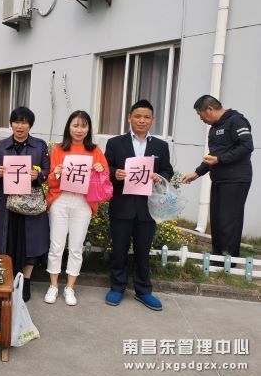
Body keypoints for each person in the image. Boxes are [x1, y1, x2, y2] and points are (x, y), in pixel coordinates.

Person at [104, 99, 173, 311]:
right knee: (119, 249)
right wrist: (115, 173)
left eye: (146, 117)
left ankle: (143, 291)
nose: (142, 120)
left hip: (147, 208)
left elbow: (167, 170)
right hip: (122, 205)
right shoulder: (115, 143)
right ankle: (117, 287)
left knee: (143, 251)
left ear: (152, 120)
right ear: (129, 118)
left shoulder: (160, 146)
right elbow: (106, 168)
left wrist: (159, 177)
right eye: (137, 116)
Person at [44, 111, 108, 306]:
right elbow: (50, 180)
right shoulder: (58, 149)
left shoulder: (95, 150)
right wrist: (56, 172)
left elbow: (104, 181)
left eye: (83, 126)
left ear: (89, 128)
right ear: (68, 127)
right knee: (56, 245)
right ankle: (53, 285)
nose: (79, 130)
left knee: (76, 247)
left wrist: (100, 171)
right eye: (75, 125)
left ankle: (70, 287)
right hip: (61, 199)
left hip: (83, 202)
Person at [181, 95, 253, 262]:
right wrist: (196, 173)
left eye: (200, 114)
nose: (200, 119)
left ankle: (229, 260)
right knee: (217, 220)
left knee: (229, 220)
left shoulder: (236, 121)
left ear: (210, 109)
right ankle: (217, 256)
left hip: (235, 179)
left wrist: (220, 159)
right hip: (220, 179)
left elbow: (246, 146)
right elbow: (213, 155)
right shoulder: (214, 128)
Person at [0, 106, 50, 302]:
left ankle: (26, 281)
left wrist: (38, 175)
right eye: (16, 122)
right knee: (6, 239)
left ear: (30, 125)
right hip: (6, 202)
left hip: (30, 203)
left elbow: (47, 172)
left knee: (29, 241)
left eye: (24, 122)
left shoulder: (40, 146)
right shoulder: (1, 145)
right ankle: (7, 279)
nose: (20, 126)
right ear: (11, 124)